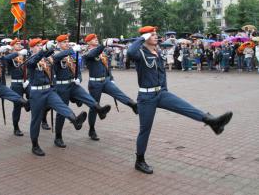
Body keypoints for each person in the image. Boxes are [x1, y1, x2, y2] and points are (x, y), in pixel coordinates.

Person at [127, 26, 233, 174]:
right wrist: (142, 37)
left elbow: (161, 73)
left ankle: (211, 121)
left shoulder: (157, 52)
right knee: (145, 130)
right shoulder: (140, 53)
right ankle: (139, 160)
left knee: (184, 106)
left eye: (156, 34)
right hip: (146, 97)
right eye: (152, 35)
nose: (156, 36)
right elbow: (130, 52)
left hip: (161, 93)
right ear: (144, 38)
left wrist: (164, 89)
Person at [26, 40, 87, 156]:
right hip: (37, 93)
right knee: (36, 120)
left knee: (61, 105)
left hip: (49, 90)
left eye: (41, 45)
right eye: (37, 46)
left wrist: (70, 50)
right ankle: (35, 145)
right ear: (32, 48)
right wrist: (44, 50)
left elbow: (58, 56)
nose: (40, 47)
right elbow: (35, 60)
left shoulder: (48, 59)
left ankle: (75, 120)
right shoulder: (31, 60)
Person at [53, 34, 111, 147]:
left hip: (73, 84)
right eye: (64, 42)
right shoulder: (55, 54)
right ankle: (58, 137)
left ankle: (99, 109)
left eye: (67, 41)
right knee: (62, 111)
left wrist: (78, 78)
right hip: (61, 86)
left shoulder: (71, 54)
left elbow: (77, 69)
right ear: (58, 44)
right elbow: (56, 58)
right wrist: (71, 50)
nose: (67, 43)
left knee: (87, 97)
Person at [83, 34, 138, 141]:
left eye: (96, 38)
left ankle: (133, 105)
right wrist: (103, 45)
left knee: (118, 93)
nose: (96, 40)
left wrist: (111, 77)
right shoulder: (87, 52)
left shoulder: (101, 52)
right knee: (94, 107)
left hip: (105, 80)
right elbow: (93, 54)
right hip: (95, 84)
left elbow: (106, 65)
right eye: (93, 39)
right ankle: (92, 129)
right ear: (88, 42)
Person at [0, 40, 30, 143]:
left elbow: (7, 58)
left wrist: (18, 53)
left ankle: (25, 103)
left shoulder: (0, 59)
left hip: (0, 86)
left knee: (18, 98)